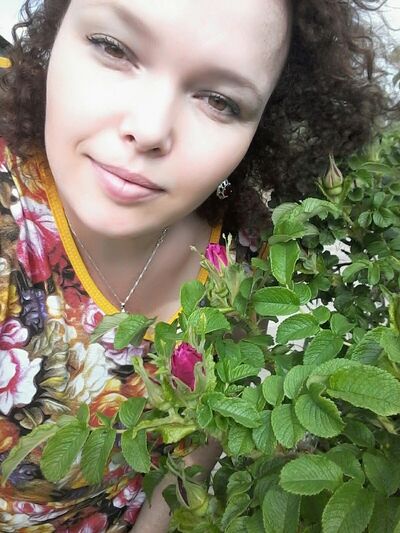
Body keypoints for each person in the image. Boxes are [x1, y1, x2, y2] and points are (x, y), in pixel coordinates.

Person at [0, 0, 396, 531]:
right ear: (55, 31)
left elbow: (196, 448)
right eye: (113, 48)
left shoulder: (240, 256)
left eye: (219, 101)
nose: (149, 129)